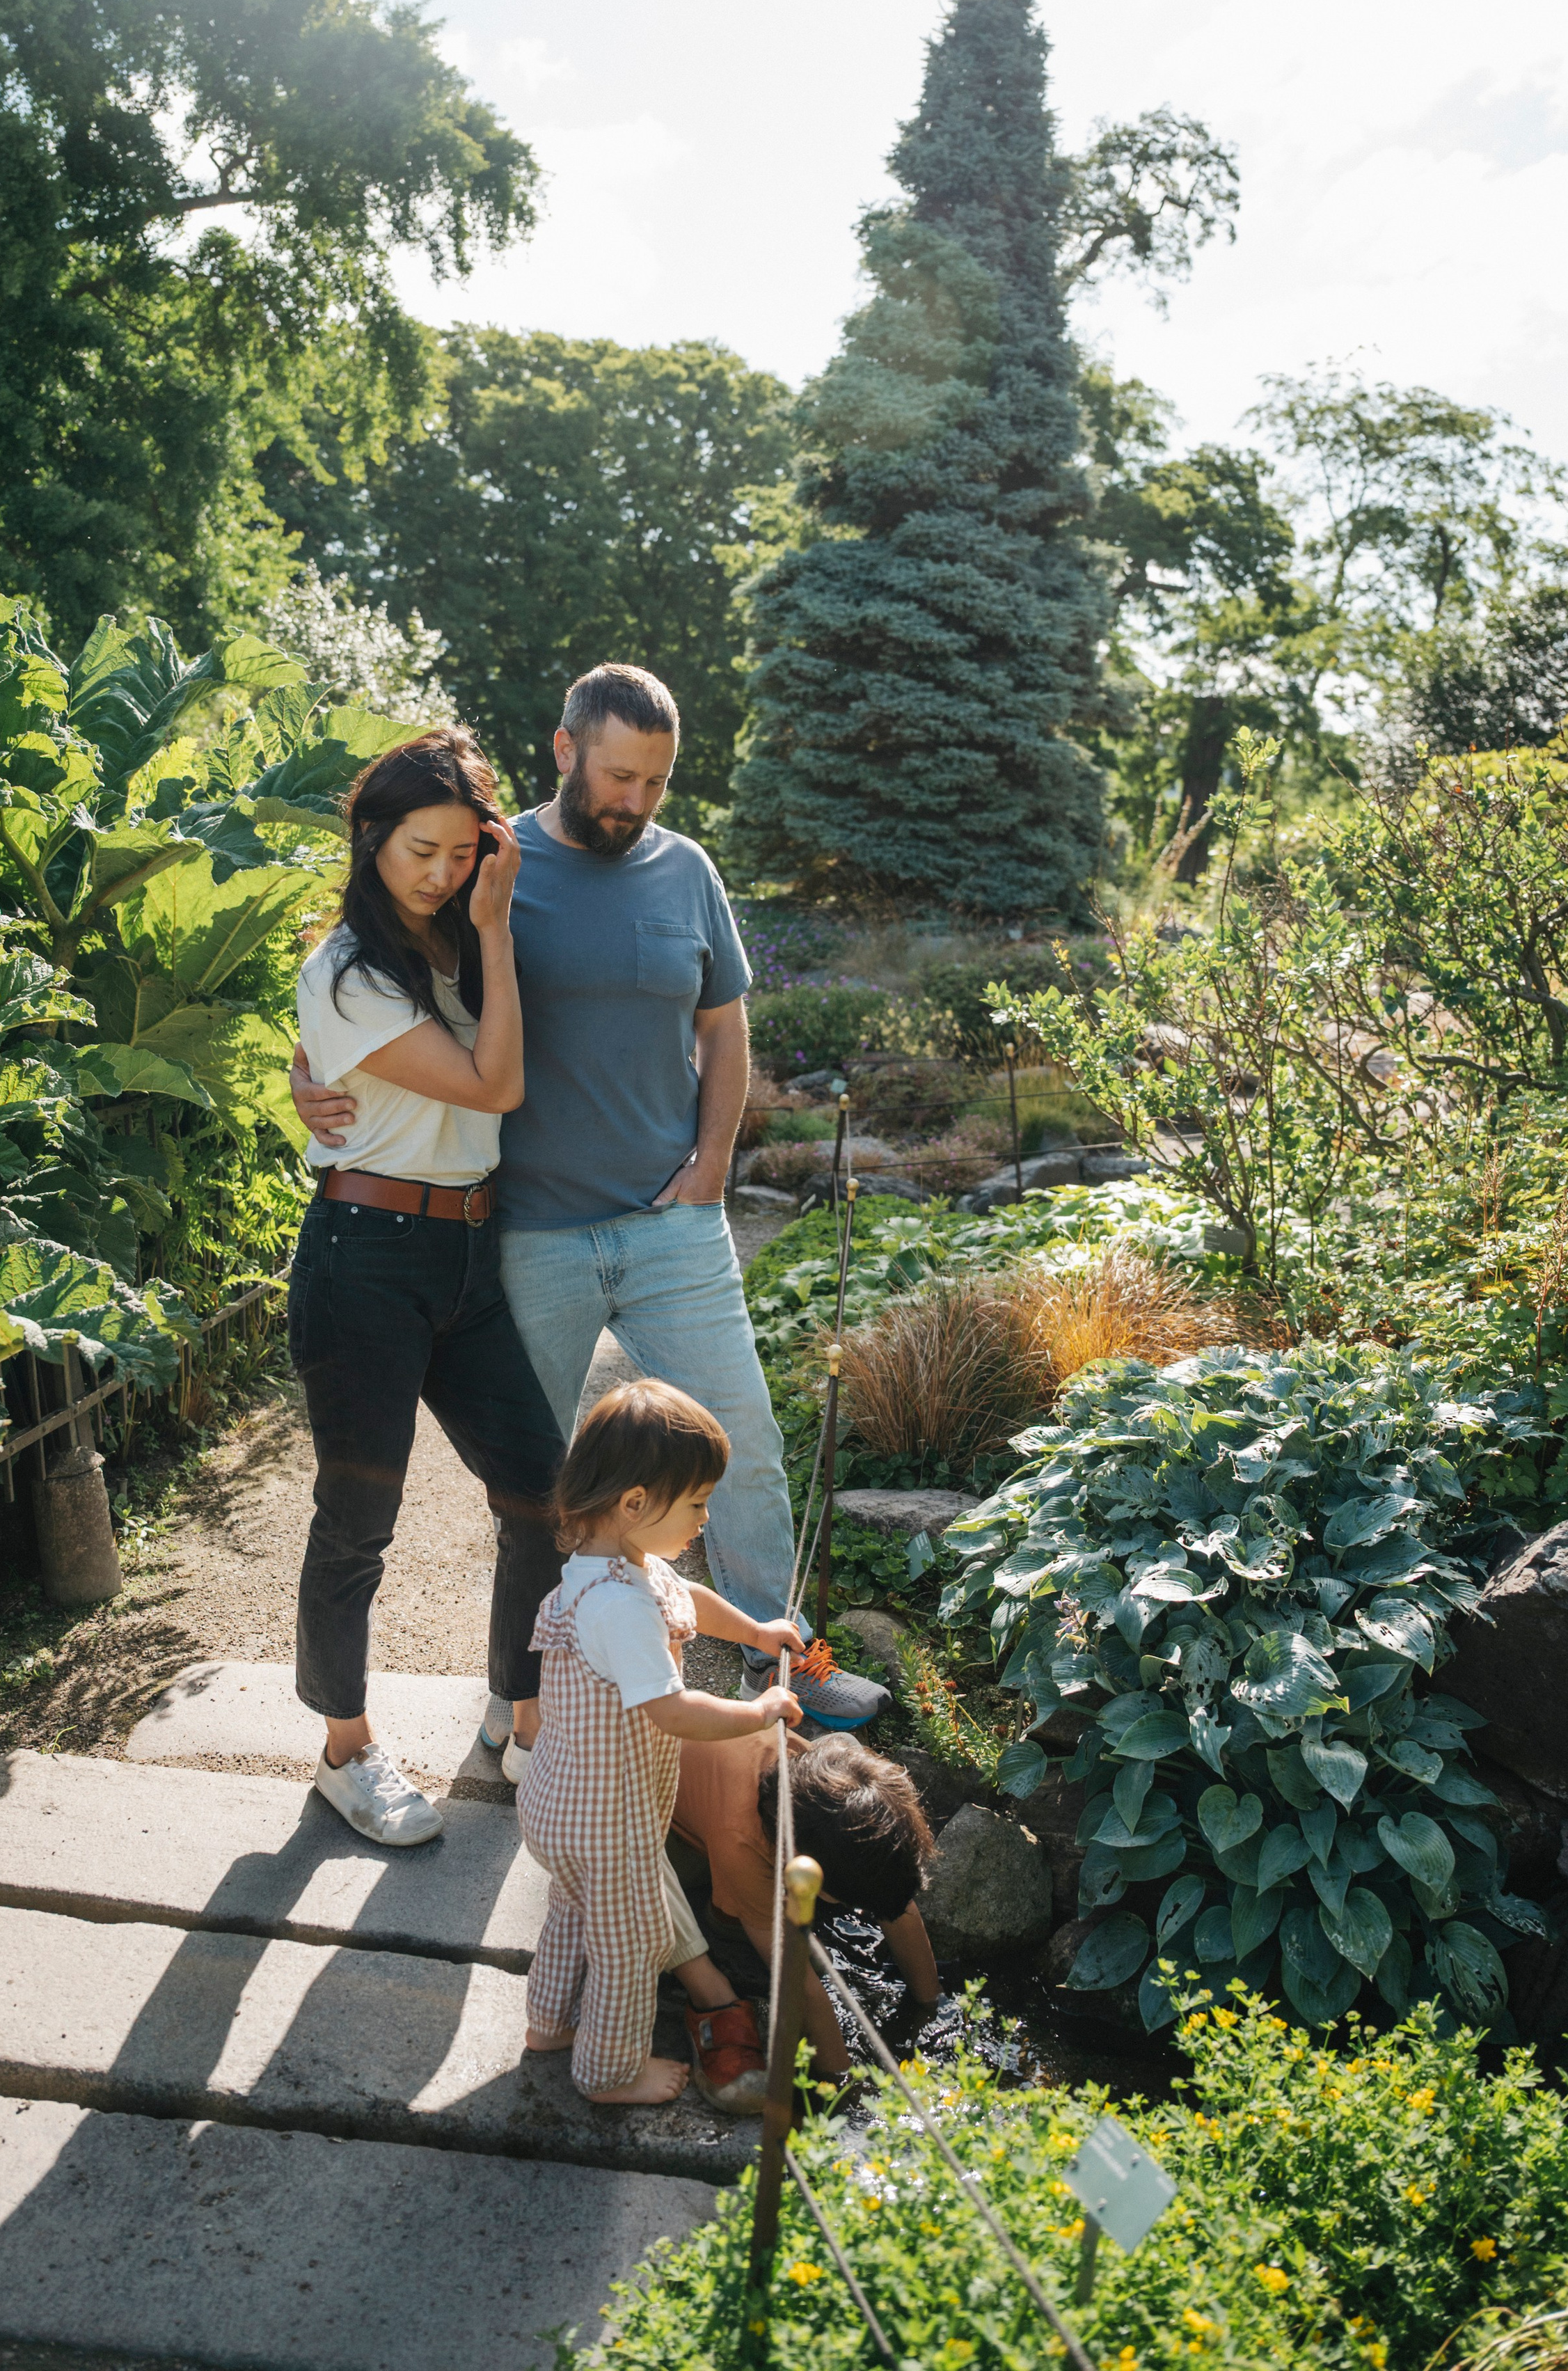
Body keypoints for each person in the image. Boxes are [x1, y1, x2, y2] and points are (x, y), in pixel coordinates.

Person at [291, 661, 887, 1741]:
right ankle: (528, 1697)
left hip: (673, 1223)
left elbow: (723, 1024)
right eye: (618, 776)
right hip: (526, 1234)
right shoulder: (486, 864)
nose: (635, 801)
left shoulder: (686, 870)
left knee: (738, 1434)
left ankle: (775, 1667)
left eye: (656, 783)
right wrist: (305, 1068)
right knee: (541, 1491)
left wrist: (714, 1156)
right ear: (565, 751)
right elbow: (381, 974)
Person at [289, 730, 567, 1846]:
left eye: (463, 851)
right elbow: (495, 1082)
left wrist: (487, 928)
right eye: (420, 848)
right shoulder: (345, 970)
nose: (442, 872)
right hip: (366, 1255)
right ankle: (346, 1752)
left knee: (541, 1488)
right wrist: (495, 931)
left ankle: (519, 1708)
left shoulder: (461, 946)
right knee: (359, 1514)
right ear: (371, 839)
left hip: (467, 1254)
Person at [517, 1377, 805, 2109]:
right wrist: (760, 1711)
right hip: (606, 1823)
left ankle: (548, 2023)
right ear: (636, 1501)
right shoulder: (617, 1606)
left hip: (563, 1804)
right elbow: (673, 1711)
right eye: (699, 1501)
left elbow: (690, 1599)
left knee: (572, 1911)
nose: (707, 1518)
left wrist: (755, 1629)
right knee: (628, 1948)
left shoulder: (616, 1566)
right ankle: (609, 2071)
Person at [671, 1724, 940, 2081]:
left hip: (725, 1791)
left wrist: (931, 2009)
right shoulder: (741, 1840)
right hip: (667, 1826)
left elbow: (896, 1903)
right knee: (730, 1930)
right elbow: (801, 1984)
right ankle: (723, 1912)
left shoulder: (828, 1773)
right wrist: (841, 2084)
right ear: (803, 1862)